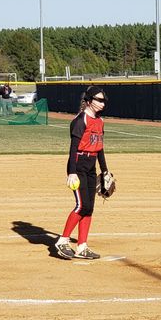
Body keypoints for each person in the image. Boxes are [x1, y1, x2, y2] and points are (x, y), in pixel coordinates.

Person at [55, 86, 110, 260]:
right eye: (99, 100)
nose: (102, 103)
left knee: (89, 207)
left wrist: (105, 170)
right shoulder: (81, 120)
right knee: (82, 206)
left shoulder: (100, 121)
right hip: (78, 165)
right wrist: (71, 172)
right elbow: (73, 149)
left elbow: (99, 148)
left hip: (91, 166)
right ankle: (63, 241)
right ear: (88, 101)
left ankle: (82, 247)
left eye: (103, 100)